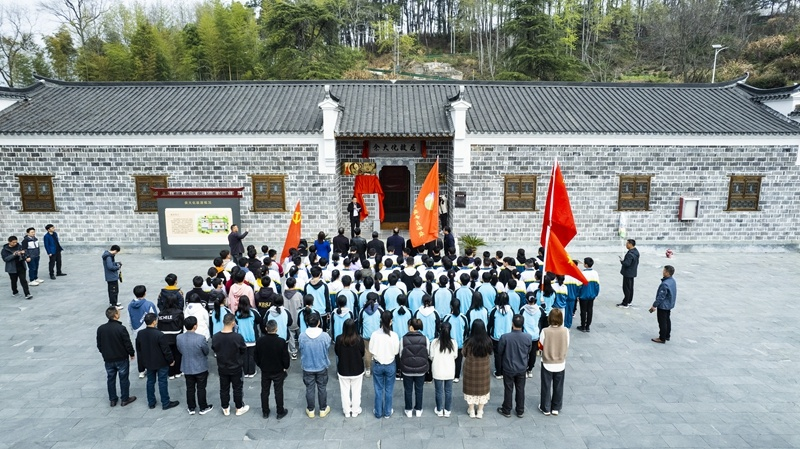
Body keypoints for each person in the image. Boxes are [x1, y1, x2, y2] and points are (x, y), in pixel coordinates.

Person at [135, 313, 179, 410]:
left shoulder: (140, 333)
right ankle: (165, 402)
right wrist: (171, 360)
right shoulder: (159, 334)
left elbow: (139, 349)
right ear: (154, 321)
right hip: (161, 362)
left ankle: (151, 402)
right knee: (162, 382)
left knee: (150, 381)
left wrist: (141, 363)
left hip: (148, 362)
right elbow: (166, 350)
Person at [96, 306, 136, 407]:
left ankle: (113, 399)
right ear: (116, 315)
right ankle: (124, 398)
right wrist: (131, 353)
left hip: (108, 359)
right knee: (124, 379)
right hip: (121, 358)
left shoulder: (101, 329)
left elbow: (99, 344)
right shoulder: (121, 328)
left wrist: (104, 353)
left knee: (110, 379)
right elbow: (127, 343)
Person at [211, 313, 250, 416]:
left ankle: (225, 407)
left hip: (222, 366)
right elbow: (243, 350)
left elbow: (214, 348)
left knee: (224, 388)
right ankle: (239, 407)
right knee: (237, 388)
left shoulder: (215, 337)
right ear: (233, 323)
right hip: (236, 366)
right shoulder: (237, 337)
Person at [176, 316, 213, 415]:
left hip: (187, 366)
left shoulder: (179, 337)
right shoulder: (200, 338)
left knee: (190, 388)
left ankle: (191, 407)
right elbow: (206, 351)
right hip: (200, 367)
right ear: (195, 326)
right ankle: (203, 407)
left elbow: (180, 349)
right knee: (201, 388)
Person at [496, 314, 532, 418]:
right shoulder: (528, 337)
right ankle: (520, 410)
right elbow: (529, 351)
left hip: (508, 367)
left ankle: (507, 409)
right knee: (520, 389)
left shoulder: (505, 337)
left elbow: (499, 351)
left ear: (512, 324)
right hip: (521, 367)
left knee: (508, 388)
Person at [254, 320, 290, 419]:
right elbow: (285, 357)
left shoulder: (260, 341)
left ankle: (265, 411)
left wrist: (260, 365)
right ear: (276, 329)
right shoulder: (281, 341)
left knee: (265, 391)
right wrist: (285, 367)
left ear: (266, 329)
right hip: (278, 370)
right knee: (278, 391)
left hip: (265, 370)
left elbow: (256, 356)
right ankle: (280, 411)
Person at [299, 314, 332, 418]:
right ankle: (323, 409)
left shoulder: (302, 336)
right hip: (321, 365)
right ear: (319, 322)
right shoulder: (325, 336)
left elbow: (300, 348)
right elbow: (327, 347)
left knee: (309, 388)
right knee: (322, 387)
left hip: (307, 366)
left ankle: (311, 410)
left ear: (307, 323)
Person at [369, 310, 400, 419]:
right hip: (390, 364)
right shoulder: (394, 335)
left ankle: (378, 412)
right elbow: (396, 352)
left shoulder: (374, 334)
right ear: (391, 321)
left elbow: (371, 349)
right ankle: (387, 412)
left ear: (381, 320)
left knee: (378, 389)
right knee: (389, 389)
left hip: (378, 364)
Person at [539, 309, 570, 416]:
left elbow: (541, 345)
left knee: (546, 386)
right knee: (558, 386)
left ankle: (545, 407)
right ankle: (556, 407)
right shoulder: (565, 331)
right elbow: (567, 344)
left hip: (547, 361)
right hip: (560, 362)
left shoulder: (545, 331)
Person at [335, 318, 365, 417]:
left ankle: (347, 411)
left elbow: (337, 352)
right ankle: (355, 410)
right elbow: (362, 353)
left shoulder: (339, 339)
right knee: (356, 391)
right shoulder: (359, 339)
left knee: (344, 392)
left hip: (343, 369)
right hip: (357, 369)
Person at [462, 319, 492, 419]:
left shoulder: (468, 342)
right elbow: (490, 352)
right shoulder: (488, 341)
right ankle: (480, 411)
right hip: (483, 369)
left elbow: (464, 353)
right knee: (482, 389)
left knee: (470, 389)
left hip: (470, 369)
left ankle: (471, 410)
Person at [400, 318, 429, 417]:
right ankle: (418, 409)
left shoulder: (403, 339)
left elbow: (400, 354)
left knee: (408, 390)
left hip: (407, 369)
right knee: (419, 390)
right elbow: (427, 353)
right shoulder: (425, 339)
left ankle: (408, 410)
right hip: (421, 369)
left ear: (411, 327)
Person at [128, 285, 158, 378]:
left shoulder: (130, 306)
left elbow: (129, 320)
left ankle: (141, 370)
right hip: (149, 331)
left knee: (140, 351)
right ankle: (152, 367)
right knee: (152, 349)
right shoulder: (149, 304)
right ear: (145, 293)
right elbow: (154, 317)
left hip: (137, 332)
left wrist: (133, 330)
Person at [430, 321, 457, 417]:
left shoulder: (434, 342)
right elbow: (455, 356)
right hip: (449, 370)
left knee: (439, 391)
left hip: (438, 369)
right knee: (448, 391)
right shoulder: (453, 342)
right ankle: (447, 410)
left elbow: (431, 356)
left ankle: (439, 409)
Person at [157, 294, 184, 379]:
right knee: (178, 354)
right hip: (176, 336)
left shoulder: (161, 313)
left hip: (164, 337)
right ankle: (178, 371)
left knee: (168, 354)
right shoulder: (179, 312)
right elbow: (181, 325)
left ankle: (170, 373)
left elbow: (159, 326)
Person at [488, 292, 515, 378]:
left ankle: (498, 372)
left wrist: (488, 333)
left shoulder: (494, 311)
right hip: (508, 336)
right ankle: (505, 370)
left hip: (496, 337)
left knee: (497, 355)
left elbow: (490, 324)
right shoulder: (511, 311)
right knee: (506, 354)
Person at [235, 297, 261, 378]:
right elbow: (259, 320)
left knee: (244, 356)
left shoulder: (237, 313)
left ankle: (245, 372)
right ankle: (251, 372)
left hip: (241, 338)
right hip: (252, 337)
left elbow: (236, 323)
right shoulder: (253, 312)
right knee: (252, 355)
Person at [650, 265, 677, 344]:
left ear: (667, 273)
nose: (663, 272)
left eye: (664, 271)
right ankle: (667, 335)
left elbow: (661, 297)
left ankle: (662, 337)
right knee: (667, 319)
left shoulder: (665, 284)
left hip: (663, 306)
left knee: (662, 322)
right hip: (669, 304)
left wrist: (654, 305)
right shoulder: (672, 281)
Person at [520, 293, 543, 378]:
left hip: (525, 335)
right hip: (535, 335)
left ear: (526, 300)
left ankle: (524, 369)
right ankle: (530, 370)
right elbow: (542, 320)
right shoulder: (540, 309)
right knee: (533, 353)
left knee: (524, 353)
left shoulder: (523, 310)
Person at [577, 257, 600, 333]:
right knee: (590, 310)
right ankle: (588, 326)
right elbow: (597, 285)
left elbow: (579, 286)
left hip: (583, 295)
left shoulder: (582, 273)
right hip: (592, 295)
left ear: (586, 265)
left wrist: (578, 295)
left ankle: (583, 325)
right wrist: (595, 294)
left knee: (583, 311)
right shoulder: (595, 273)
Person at [617, 239, 640, 308]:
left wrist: (622, 261)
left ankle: (625, 302)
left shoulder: (630, 254)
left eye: (627, 244)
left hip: (628, 273)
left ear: (630, 244)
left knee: (626, 288)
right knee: (630, 288)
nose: (626, 245)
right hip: (632, 272)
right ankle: (629, 301)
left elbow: (627, 264)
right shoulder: (636, 252)